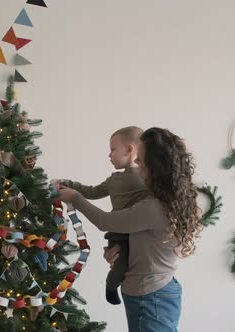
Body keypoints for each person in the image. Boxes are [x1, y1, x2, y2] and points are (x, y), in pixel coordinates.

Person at [59, 127, 201, 332]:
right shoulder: (162, 200)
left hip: (151, 297)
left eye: (140, 159)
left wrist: (74, 198)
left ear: (154, 165)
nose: (136, 163)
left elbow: (105, 221)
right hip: (154, 291)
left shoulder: (153, 207)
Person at [59, 126, 147, 305]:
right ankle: (111, 286)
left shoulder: (148, 179)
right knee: (120, 266)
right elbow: (91, 192)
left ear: (129, 150)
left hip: (142, 235)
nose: (109, 155)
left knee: (138, 266)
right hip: (118, 234)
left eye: (113, 149)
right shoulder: (114, 180)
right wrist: (68, 184)